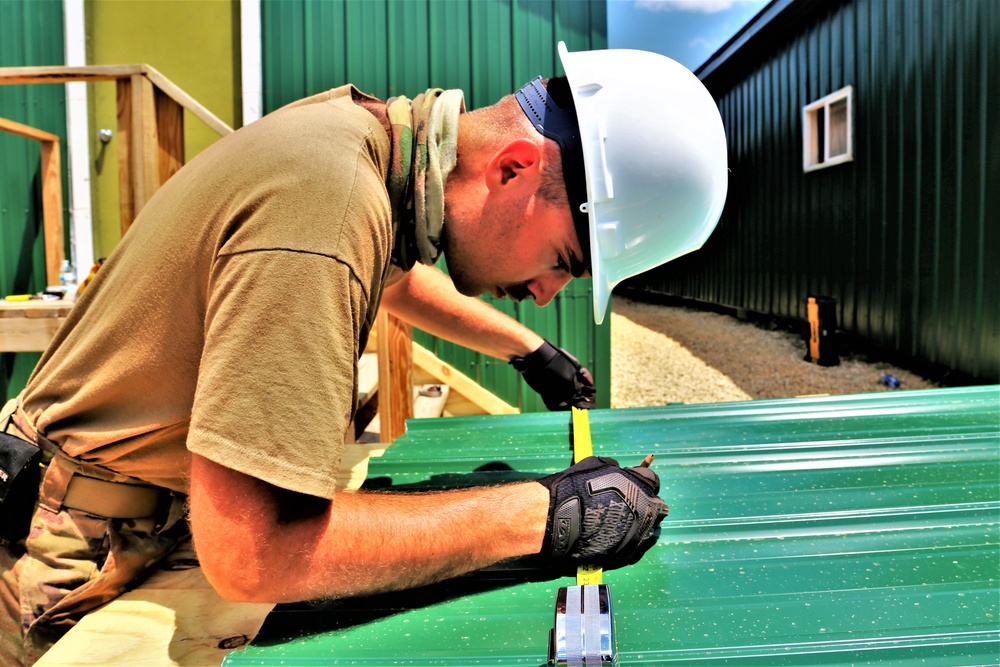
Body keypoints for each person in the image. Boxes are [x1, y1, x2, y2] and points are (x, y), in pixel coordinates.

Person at [0, 43, 727, 665]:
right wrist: (540, 513)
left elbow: (396, 282)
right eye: (563, 261)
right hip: (65, 559)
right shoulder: (330, 204)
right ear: (513, 169)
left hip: (119, 516)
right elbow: (251, 550)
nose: (544, 292)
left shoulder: (361, 145)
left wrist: (528, 349)